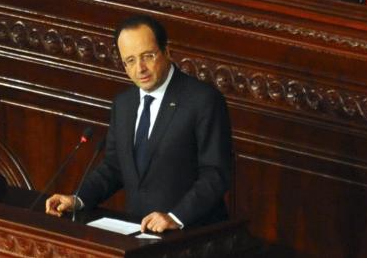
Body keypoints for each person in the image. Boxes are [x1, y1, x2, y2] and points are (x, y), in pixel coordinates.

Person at [45, 16, 233, 232]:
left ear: (167, 52)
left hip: (193, 234)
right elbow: (114, 167)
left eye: (147, 56)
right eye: (130, 60)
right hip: (139, 234)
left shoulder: (203, 100)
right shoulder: (124, 104)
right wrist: (78, 199)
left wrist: (176, 217)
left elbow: (216, 174)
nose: (140, 68)